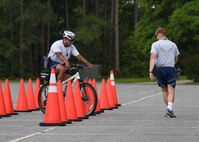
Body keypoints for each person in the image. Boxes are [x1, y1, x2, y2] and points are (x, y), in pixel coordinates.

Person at [149, 27, 180, 118]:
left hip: (160, 70)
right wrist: (173, 63)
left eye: (156, 35)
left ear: (159, 34)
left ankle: (169, 109)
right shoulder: (173, 44)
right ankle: (170, 108)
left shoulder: (155, 44)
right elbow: (177, 56)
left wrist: (151, 71)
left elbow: (153, 58)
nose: (156, 37)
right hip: (170, 69)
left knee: (164, 90)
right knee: (171, 90)